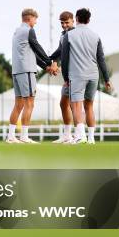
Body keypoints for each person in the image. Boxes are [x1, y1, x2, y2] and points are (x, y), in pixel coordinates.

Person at [61, 8, 112, 144]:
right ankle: (91, 138)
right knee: (89, 106)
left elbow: (64, 59)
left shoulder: (69, 36)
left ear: (76, 18)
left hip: (77, 75)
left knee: (76, 105)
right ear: (88, 20)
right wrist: (106, 79)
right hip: (93, 76)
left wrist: (65, 78)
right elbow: (101, 59)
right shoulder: (95, 36)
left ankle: (80, 136)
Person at [6, 8, 55, 144]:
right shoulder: (29, 30)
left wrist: (46, 67)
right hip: (26, 71)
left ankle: (11, 136)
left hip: (17, 71)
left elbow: (31, 53)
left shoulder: (17, 31)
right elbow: (37, 47)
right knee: (30, 103)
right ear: (30, 18)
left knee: (19, 104)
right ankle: (24, 136)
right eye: (35, 19)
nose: (36, 22)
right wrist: (50, 62)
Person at [49, 11, 75, 143]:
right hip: (67, 75)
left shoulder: (74, 35)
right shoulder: (63, 35)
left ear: (73, 21)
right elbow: (60, 52)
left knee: (74, 105)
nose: (64, 25)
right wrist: (53, 62)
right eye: (62, 23)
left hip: (74, 75)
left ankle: (78, 136)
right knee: (64, 103)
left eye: (67, 22)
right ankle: (67, 135)